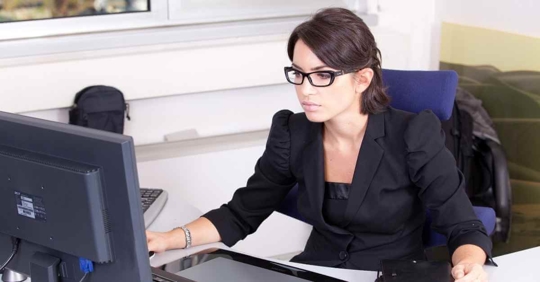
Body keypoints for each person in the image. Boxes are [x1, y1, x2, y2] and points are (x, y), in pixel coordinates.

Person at [147, 7, 492, 282]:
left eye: (322, 75)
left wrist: (469, 267)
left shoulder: (413, 134)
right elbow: (241, 213)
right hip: (313, 271)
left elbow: (464, 227)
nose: (305, 89)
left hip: (385, 276)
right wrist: (167, 239)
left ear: (362, 79)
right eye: (298, 73)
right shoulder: (293, 132)